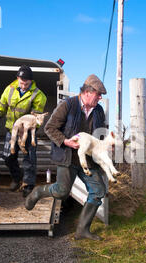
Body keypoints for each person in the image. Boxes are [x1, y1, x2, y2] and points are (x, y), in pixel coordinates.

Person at [25, 74, 108, 241]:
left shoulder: (98, 110)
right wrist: (66, 141)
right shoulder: (67, 105)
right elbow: (50, 128)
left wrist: (104, 147)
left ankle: (82, 231)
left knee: (98, 191)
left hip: (88, 161)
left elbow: (100, 135)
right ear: (87, 92)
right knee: (62, 193)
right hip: (67, 157)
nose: (100, 98)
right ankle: (38, 192)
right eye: (98, 94)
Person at [0, 65, 47, 197]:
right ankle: (17, 176)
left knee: (29, 159)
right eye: (21, 82)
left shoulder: (39, 95)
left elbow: (36, 118)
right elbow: (2, 105)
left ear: (31, 81)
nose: (23, 85)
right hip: (11, 130)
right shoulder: (9, 89)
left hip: (28, 132)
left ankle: (28, 185)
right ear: (18, 79)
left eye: (26, 83)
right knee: (7, 157)